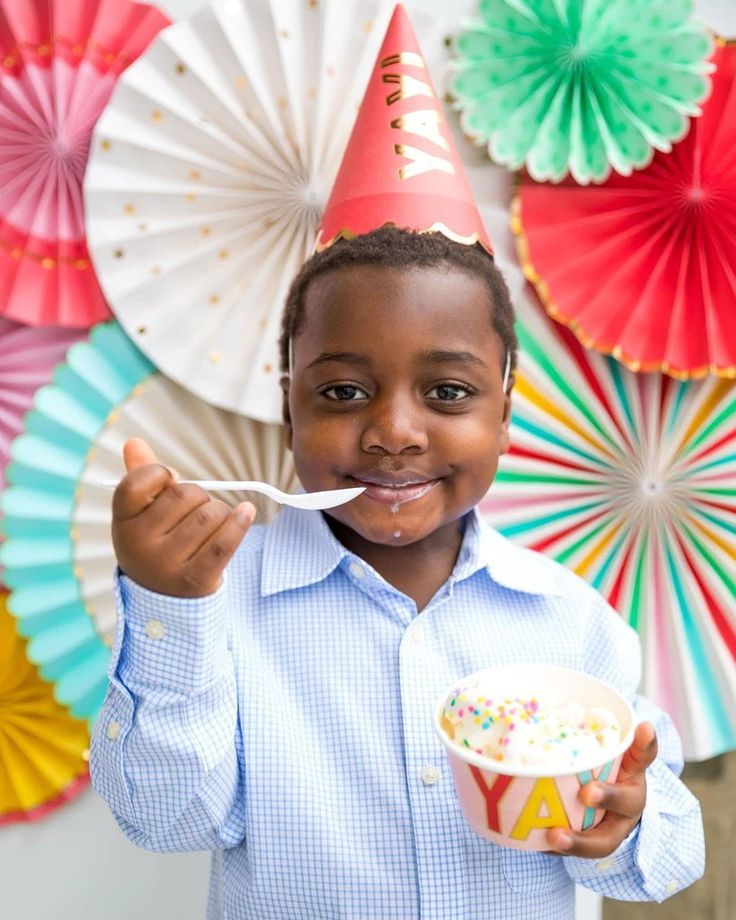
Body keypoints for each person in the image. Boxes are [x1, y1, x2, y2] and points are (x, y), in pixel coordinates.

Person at [90, 6, 704, 918]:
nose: (394, 433)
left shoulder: (568, 623)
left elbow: (666, 857)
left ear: (505, 411)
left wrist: (631, 822)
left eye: (448, 394)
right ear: (288, 402)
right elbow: (169, 820)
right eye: (342, 392)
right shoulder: (220, 608)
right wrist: (173, 612)